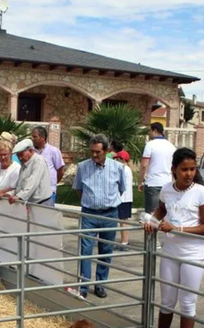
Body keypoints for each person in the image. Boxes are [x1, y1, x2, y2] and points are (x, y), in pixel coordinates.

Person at [145, 148, 204, 328]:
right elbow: (162, 209)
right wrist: (152, 220)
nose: (189, 174)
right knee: (166, 301)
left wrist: (178, 229)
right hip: (170, 253)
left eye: (192, 169)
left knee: (188, 303)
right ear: (174, 169)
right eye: (184, 169)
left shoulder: (201, 192)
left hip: (193, 255)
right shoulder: (167, 189)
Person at [70, 134, 126, 300]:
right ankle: (83, 286)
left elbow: (121, 189)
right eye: (92, 151)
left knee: (106, 250)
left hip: (110, 213)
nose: (94, 155)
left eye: (98, 152)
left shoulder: (118, 168)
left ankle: (100, 284)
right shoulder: (82, 167)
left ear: (106, 150)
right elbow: (79, 189)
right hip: (89, 213)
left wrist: (107, 202)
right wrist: (91, 201)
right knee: (85, 250)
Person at [139, 123, 177, 214]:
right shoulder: (171, 146)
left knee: (151, 215)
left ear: (155, 131)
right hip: (168, 183)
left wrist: (140, 181)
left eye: (150, 131)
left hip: (153, 183)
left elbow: (144, 165)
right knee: (166, 213)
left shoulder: (150, 145)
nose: (149, 133)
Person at [6, 139, 52, 206]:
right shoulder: (24, 165)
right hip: (32, 203)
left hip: (42, 203)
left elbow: (32, 182)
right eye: (18, 156)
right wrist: (9, 194)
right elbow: (20, 185)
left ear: (30, 151)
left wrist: (19, 196)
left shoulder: (38, 161)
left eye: (21, 155)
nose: (20, 158)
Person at [31, 126, 65, 206]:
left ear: (43, 137)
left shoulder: (54, 151)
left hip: (49, 193)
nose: (33, 139)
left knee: (47, 216)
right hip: (33, 193)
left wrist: (52, 183)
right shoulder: (31, 152)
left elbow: (60, 171)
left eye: (35, 137)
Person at [113, 148, 133, 250]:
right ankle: (123, 241)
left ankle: (125, 242)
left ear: (122, 159)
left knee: (122, 221)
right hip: (127, 198)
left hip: (122, 198)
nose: (116, 161)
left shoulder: (122, 169)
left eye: (118, 159)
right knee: (123, 220)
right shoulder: (128, 169)